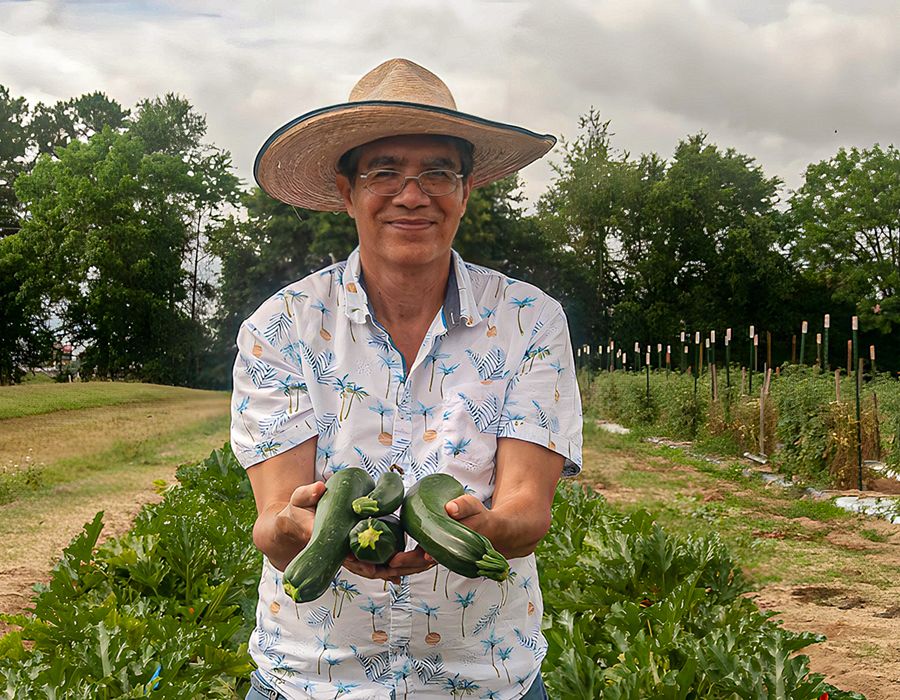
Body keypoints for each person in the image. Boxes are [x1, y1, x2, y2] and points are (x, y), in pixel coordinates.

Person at [232, 58, 583, 700]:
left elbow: (528, 513)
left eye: (437, 173)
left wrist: (477, 531)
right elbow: (272, 530)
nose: (412, 195)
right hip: (311, 680)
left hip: (486, 680)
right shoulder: (281, 326)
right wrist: (308, 531)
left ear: (467, 188)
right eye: (384, 171)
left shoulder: (530, 320)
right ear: (347, 191)